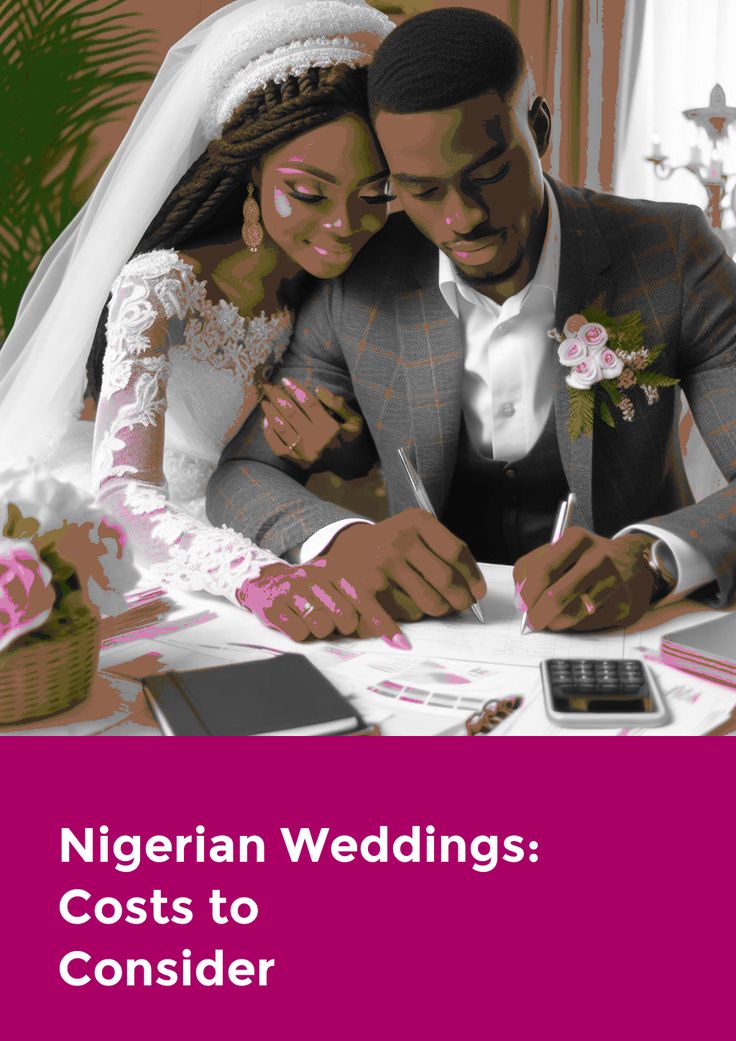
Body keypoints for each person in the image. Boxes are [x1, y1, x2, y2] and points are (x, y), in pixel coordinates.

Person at [207, 6, 736, 632]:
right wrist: (346, 542)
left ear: (536, 129)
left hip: (631, 633)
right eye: (423, 191)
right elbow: (243, 475)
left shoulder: (670, 251)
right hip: (436, 643)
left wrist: (651, 558)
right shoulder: (361, 282)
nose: (462, 218)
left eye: (488, 174)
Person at [0, 0, 412, 647]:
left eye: (373, 195)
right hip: (163, 535)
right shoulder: (160, 287)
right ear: (252, 170)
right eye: (309, 192)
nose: (342, 226)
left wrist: (339, 444)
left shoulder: (340, 284)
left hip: (273, 511)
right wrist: (255, 577)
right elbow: (123, 494)